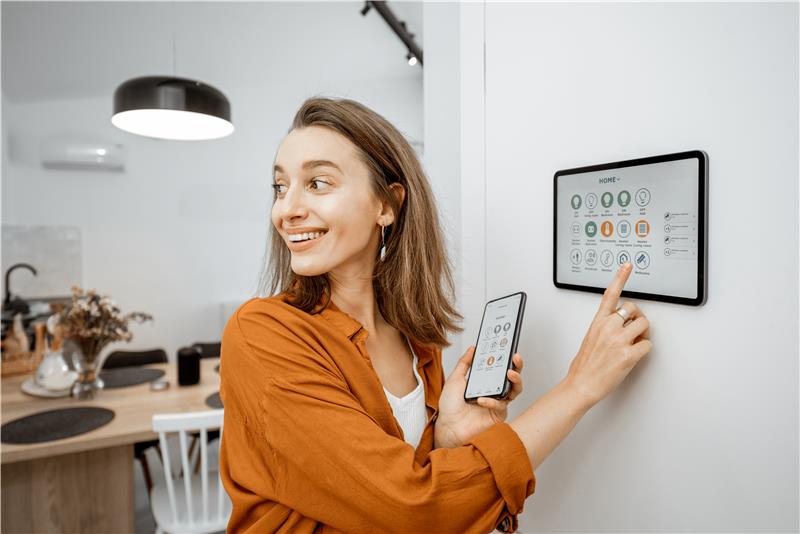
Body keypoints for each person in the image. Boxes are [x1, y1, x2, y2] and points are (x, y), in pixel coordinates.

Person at [219, 97, 652, 533]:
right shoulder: (260, 334)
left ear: (386, 205)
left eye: (317, 183)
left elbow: (403, 481)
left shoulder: (415, 340)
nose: (286, 209)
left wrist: (446, 434)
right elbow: (413, 509)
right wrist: (578, 387)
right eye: (280, 187)